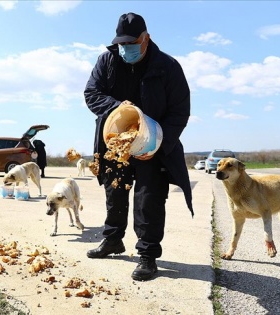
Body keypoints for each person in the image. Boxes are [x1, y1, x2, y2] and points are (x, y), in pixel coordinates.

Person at [84, 12, 193, 281]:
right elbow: (91, 94)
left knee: (149, 199)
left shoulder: (167, 66)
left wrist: (157, 144)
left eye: (132, 43)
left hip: (152, 146)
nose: (126, 49)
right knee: (115, 191)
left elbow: (180, 111)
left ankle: (147, 255)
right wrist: (118, 107)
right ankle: (112, 240)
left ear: (146, 38)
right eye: (122, 44)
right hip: (116, 142)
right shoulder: (107, 60)